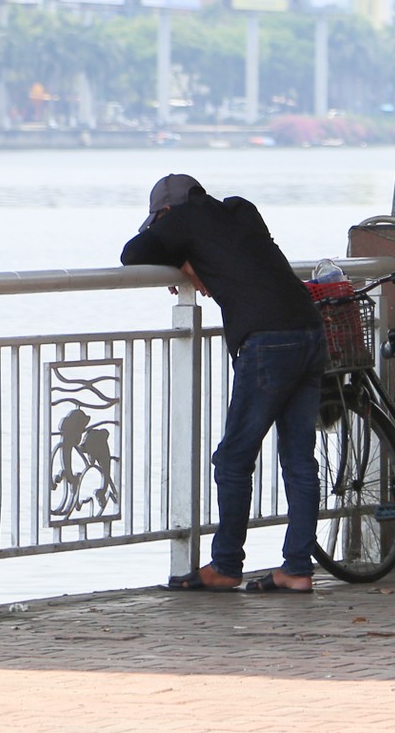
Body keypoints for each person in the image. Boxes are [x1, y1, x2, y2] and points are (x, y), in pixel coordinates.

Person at [121, 173, 324, 593]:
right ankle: (297, 569)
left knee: (233, 460)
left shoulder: (179, 221)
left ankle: (227, 564)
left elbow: (132, 253)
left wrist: (180, 260)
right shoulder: (242, 210)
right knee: (300, 459)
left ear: (166, 211)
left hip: (267, 341)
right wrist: (189, 259)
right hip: (309, 328)